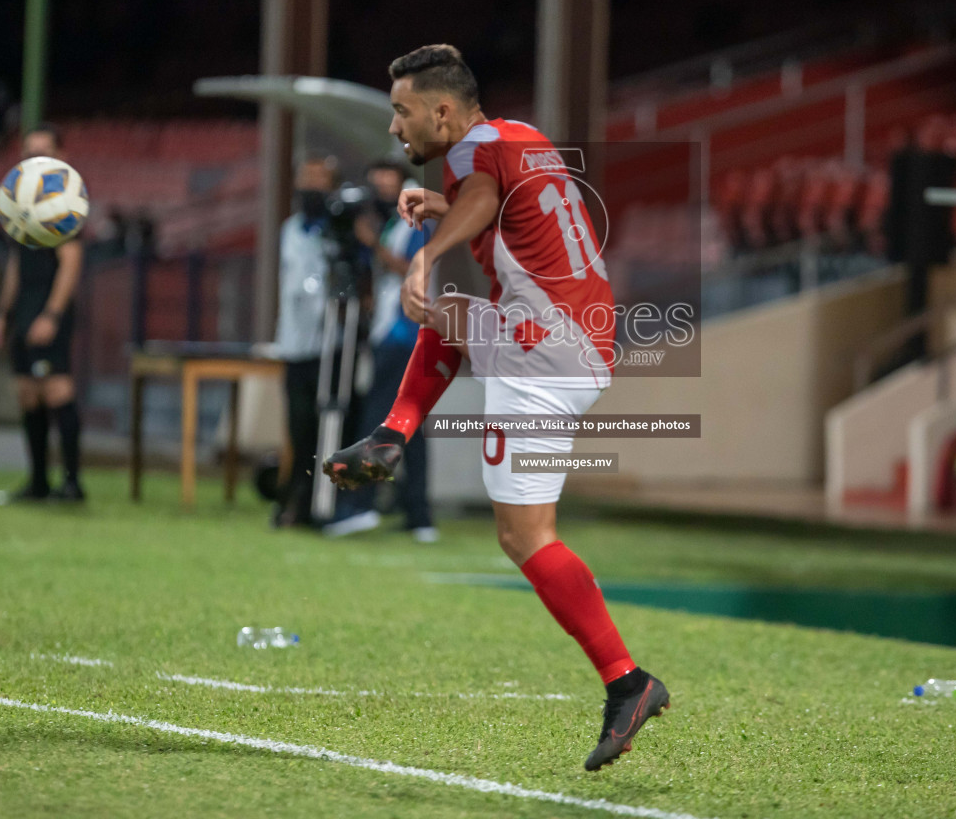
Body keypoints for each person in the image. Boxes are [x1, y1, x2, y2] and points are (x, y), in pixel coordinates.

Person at [325, 45, 669, 771]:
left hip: (551, 345)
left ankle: (628, 681)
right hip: (578, 333)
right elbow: (507, 205)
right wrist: (445, 208)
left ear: (443, 112)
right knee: (457, 315)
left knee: (525, 537)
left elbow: (482, 198)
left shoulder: (471, 156)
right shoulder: (521, 138)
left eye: (403, 111)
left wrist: (426, 251)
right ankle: (391, 435)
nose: (395, 128)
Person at [270, 155, 377, 533]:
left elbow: (363, 276)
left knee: (330, 424)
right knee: (298, 426)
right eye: (305, 179)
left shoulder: (341, 233)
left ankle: (330, 499)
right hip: (294, 343)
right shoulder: (291, 229)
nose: (309, 189)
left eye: (319, 181)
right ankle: (296, 497)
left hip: (332, 346)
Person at [0, 125, 86, 503]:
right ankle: (39, 481)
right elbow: (16, 264)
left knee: (57, 388)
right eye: (30, 153)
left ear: (61, 157)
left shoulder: (63, 206)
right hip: (24, 310)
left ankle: (73, 483)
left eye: (45, 152)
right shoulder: (20, 205)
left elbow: (71, 262)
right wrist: (3, 315)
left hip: (47, 311)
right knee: (27, 393)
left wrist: (53, 315)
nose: (36, 160)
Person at [360, 159, 437, 542]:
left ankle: (363, 505)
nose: (382, 192)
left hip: (404, 333)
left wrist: (370, 242)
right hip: (397, 330)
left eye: (389, 185)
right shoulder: (395, 222)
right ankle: (418, 513)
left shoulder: (416, 220)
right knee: (412, 427)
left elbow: (412, 269)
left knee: (379, 417)